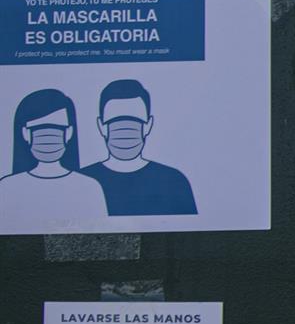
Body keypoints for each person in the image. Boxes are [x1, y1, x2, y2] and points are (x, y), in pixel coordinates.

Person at [80, 78, 197, 215]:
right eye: (114, 121)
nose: (125, 129)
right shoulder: (83, 180)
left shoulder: (173, 180)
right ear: (101, 126)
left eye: (135, 120)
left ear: (148, 125)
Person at [0, 88, 108, 227]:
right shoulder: (7, 187)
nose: (48, 136)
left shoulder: (90, 187)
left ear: (69, 132)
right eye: (39, 129)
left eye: (56, 128)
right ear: (25, 133)